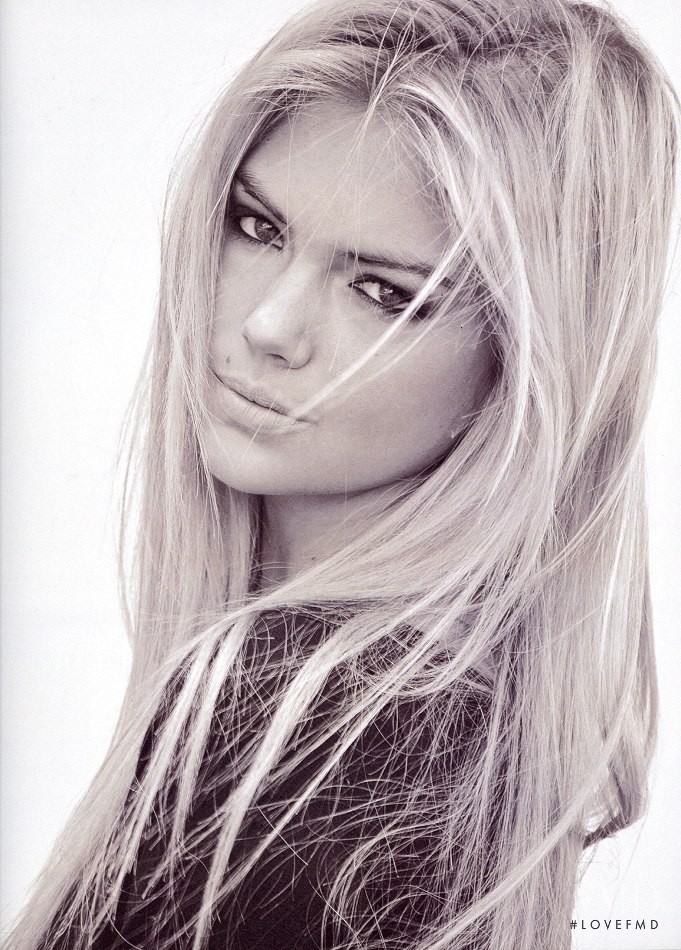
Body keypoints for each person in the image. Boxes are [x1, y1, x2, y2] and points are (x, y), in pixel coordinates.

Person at [7, 0, 677, 947]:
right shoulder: (467, 735)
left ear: (521, 367)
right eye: (258, 226)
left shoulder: (295, 722)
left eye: (380, 291)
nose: (268, 326)